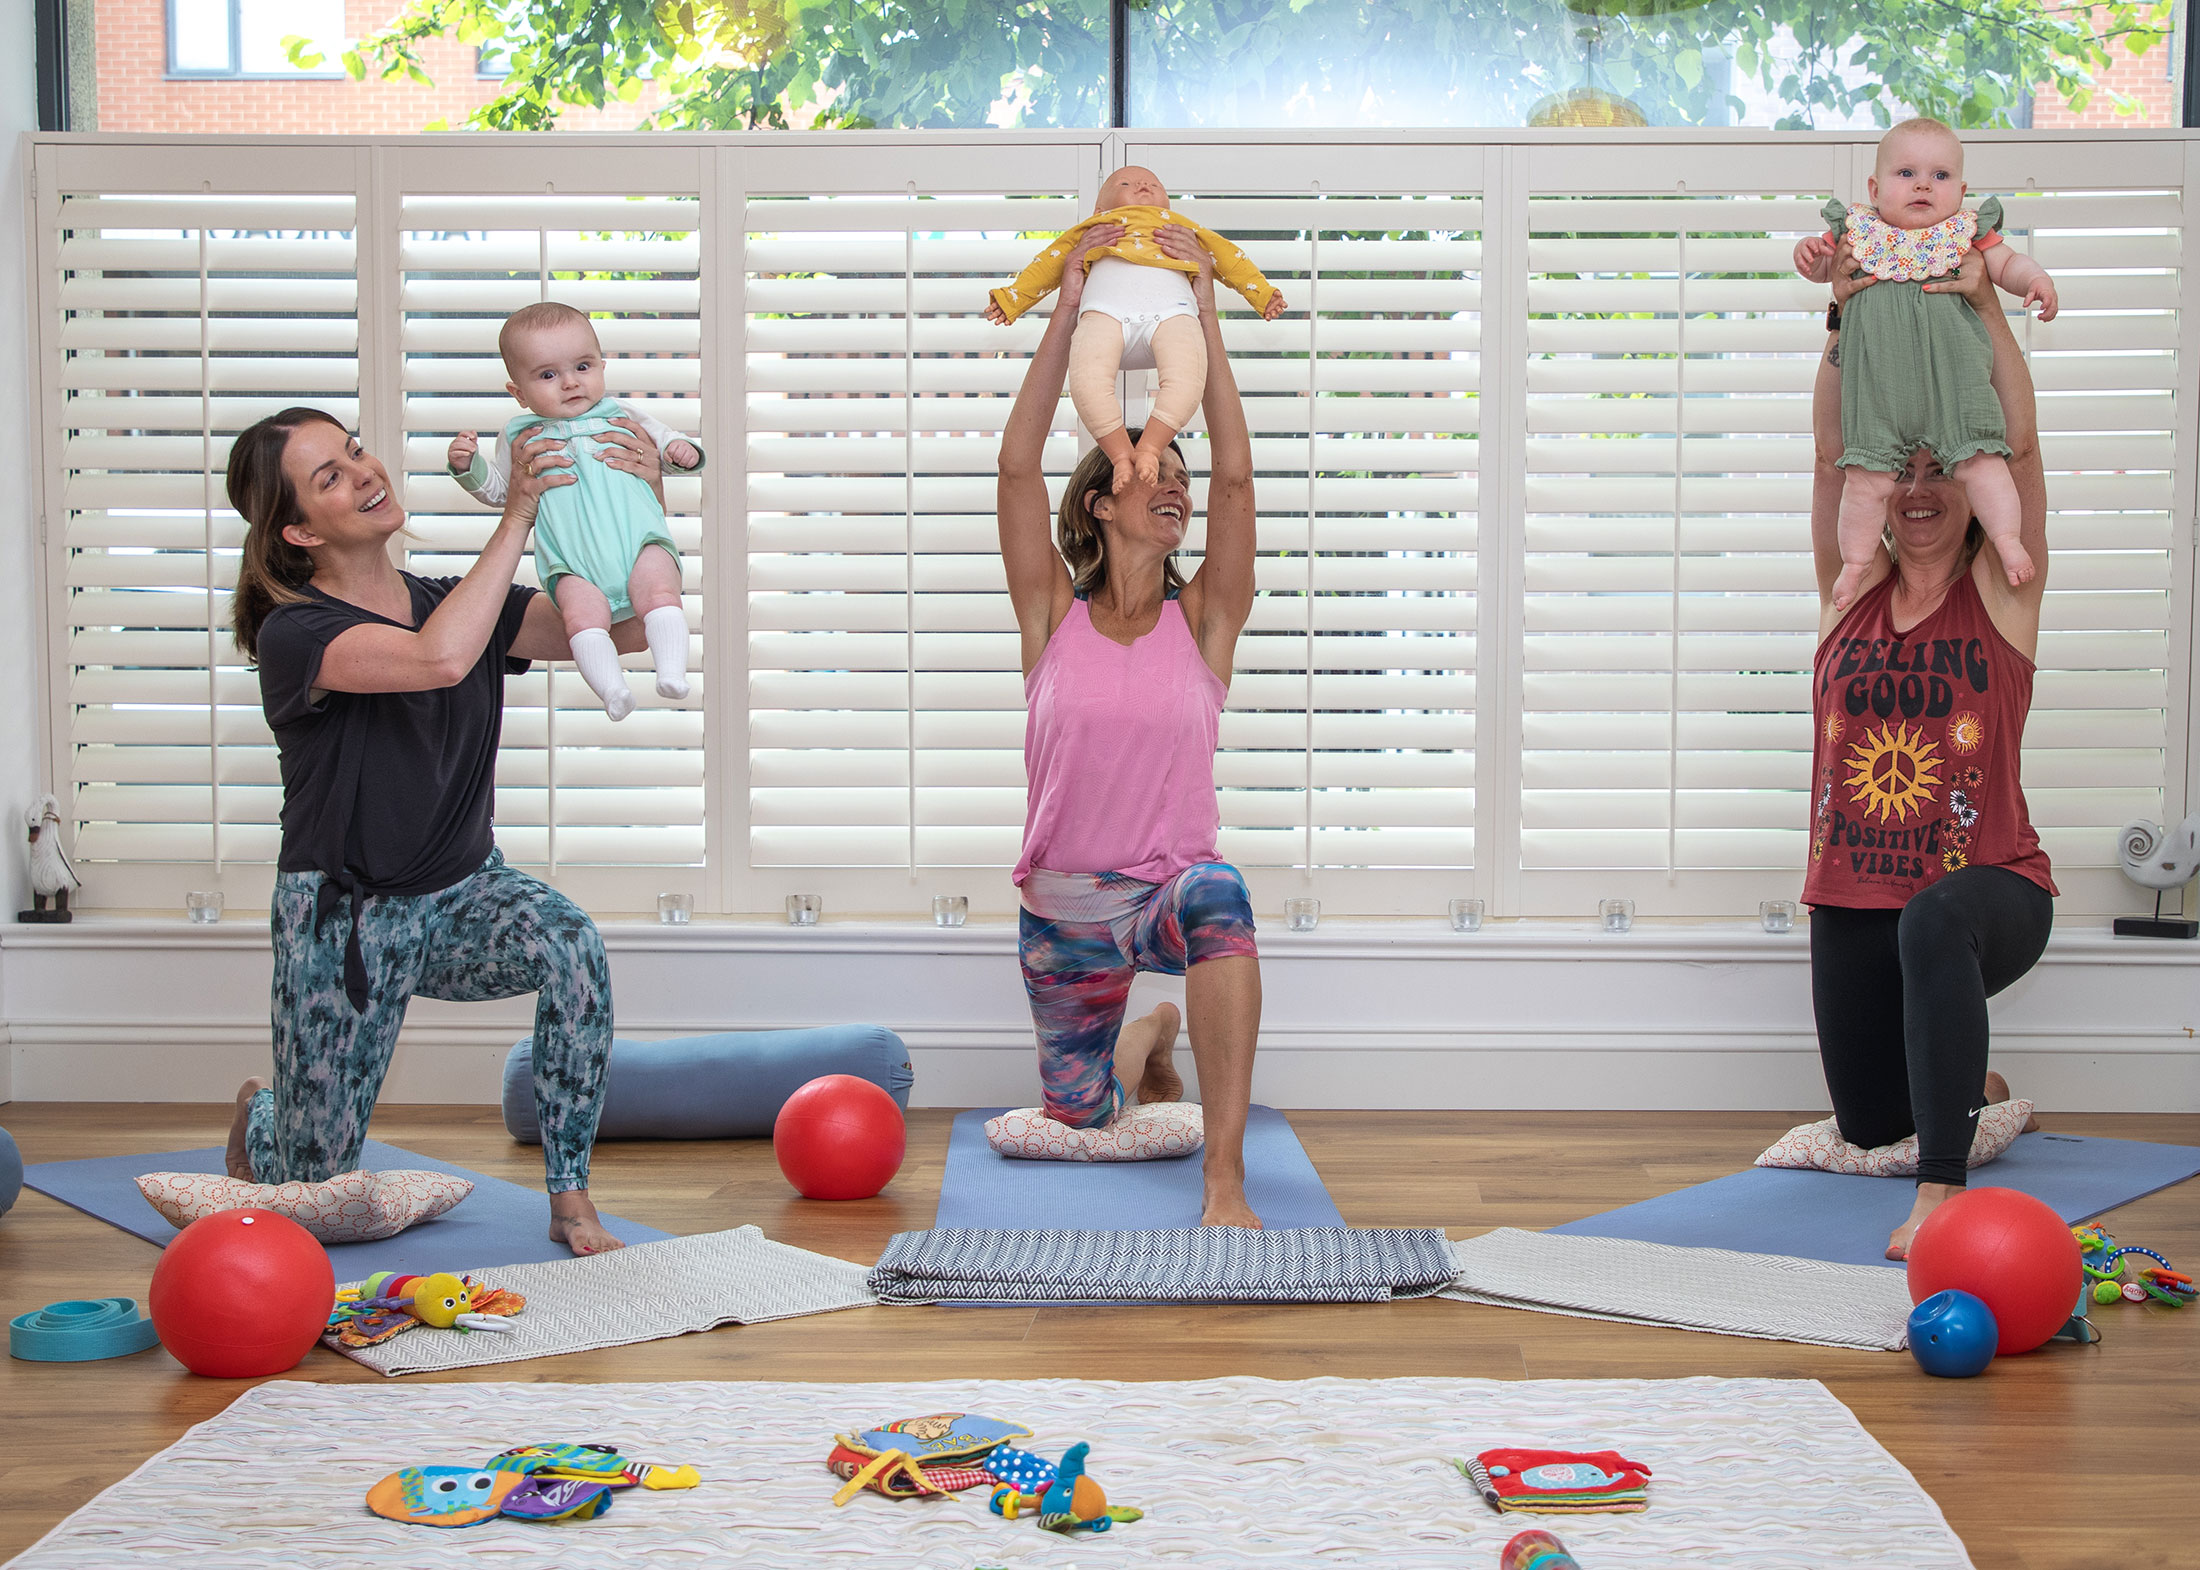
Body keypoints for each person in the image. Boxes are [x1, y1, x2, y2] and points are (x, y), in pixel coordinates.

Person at [222, 404, 662, 1255]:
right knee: (321, 1202)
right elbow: (438, 659)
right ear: (300, 533)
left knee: (571, 943)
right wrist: (519, 513)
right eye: (332, 478)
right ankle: (270, 1121)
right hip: (344, 921)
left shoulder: (459, 603)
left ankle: (572, 1199)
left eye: (355, 452)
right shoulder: (297, 634)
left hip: (465, 894)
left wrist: (636, 506)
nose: (365, 472)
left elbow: (626, 630)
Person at [997, 216, 1265, 1229]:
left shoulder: (1203, 624)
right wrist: (1068, 306)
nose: (1180, 489)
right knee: (1080, 1114)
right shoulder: (1049, 616)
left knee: (1221, 896)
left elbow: (1239, 477)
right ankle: (1147, 1031)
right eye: (1159, 474)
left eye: (1183, 484)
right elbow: (1014, 471)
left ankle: (1224, 1184)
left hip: (1167, 890)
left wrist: (1205, 314)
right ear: (1100, 502)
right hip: (1062, 911)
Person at [1805, 239, 2056, 1260]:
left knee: (1933, 919)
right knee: (1871, 1128)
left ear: (1965, 484)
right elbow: (1830, 444)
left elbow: (2022, 451)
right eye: (1900, 469)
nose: (1915, 487)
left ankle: (1940, 1196)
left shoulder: (2000, 590)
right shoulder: (1848, 587)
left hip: (1989, 887)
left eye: (1938, 470)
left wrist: (1984, 306)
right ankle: (1971, 1090)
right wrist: (1841, 319)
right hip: (1851, 892)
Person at [1795, 117, 2058, 613]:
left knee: (1985, 463)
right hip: (1879, 403)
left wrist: (2031, 280)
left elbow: (2018, 451)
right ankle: (1851, 562)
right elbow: (1831, 460)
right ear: (1875, 189)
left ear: (1962, 191)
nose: (1921, 184)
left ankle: (2007, 538)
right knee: (1862, 478)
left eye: (1940, 177)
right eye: (1906, 174)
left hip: (1955, 397)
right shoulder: (1861, 235)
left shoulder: (1965, 238)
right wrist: (1825, 279)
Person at [447, 301, 702, 720]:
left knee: (660, 592)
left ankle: (672, 671)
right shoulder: (519, 436)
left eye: (582, 367)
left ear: (602, 367)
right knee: (581, 620)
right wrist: (467, 467)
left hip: (638, 543)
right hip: (573, 563)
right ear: (519, 393)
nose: (569, 383)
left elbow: (665, 448)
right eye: (548, 375)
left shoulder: (621, 414)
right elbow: (501, 492)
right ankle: (612, 690)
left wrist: (680, 452)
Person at [988, 164, 1287, 495]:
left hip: (1172, 315)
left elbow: (1230, 258)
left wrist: (1261, 293)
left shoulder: (1181, 229)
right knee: (1086, 383)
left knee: (1187, 381)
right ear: (1099, 209)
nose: (1143, 186)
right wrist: (1012, 299)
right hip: (1104, 314)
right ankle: (1119, 454)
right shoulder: (1095, 229)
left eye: (1154, 184)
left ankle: (1150, 447)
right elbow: (1049, 263)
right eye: (1127, 183)